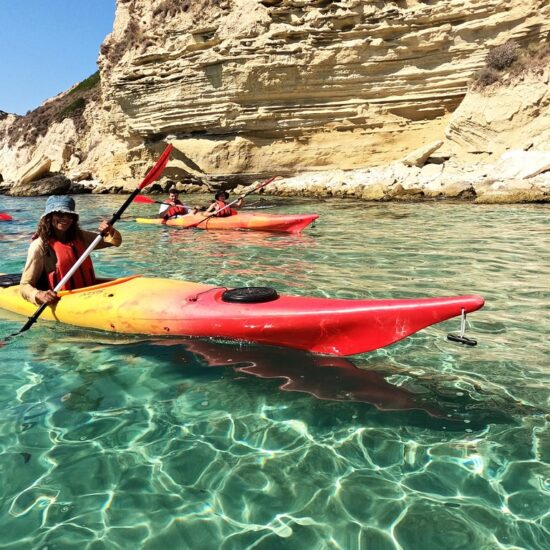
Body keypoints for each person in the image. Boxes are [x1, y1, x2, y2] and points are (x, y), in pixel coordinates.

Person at [20, 195, 122, 306]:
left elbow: (114, 242)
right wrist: (38, 294)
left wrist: (110, 231)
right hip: (59, 298)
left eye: (69, 215)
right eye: (59, 214)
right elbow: (25, 285)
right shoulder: (39, 246)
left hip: (85, 293)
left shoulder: (80, 237)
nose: (65, 218)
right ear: (49, 217)